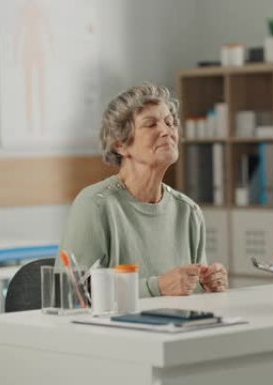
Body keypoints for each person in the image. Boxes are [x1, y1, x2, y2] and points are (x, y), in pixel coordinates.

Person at [59, 83, 228, 297]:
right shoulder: (95, 204)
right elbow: (70, 293)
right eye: (150, 124)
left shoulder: (188, 211)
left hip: (177, 329)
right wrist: (155, 287)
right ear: (120, 144)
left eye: (170, 122)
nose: (167, 131)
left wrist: (210, 285)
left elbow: (192, 295)